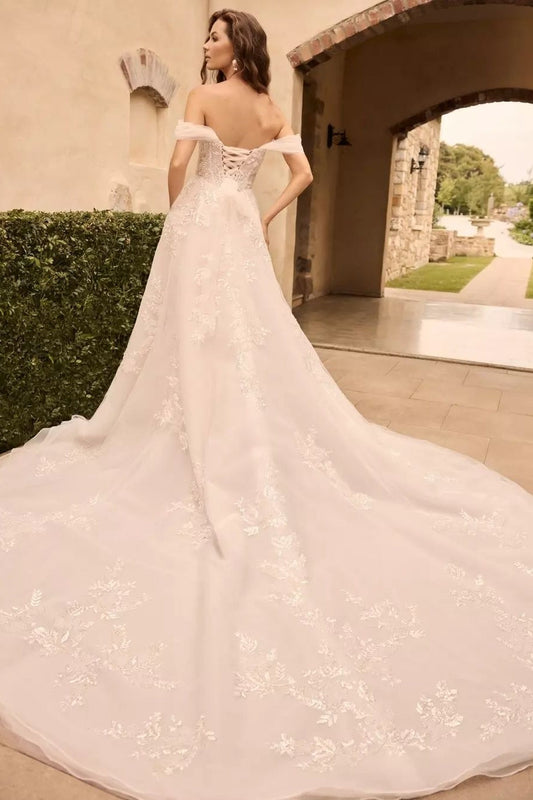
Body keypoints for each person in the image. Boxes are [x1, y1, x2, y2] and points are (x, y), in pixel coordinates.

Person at [0, 8, 532, 800]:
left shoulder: (203, 97)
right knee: (244, 345)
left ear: (235, 45)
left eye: (215, 35)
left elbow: (178, 166)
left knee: (190, 339)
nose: (206, 44)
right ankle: (235, 434)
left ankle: (199, 434)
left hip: (199, 229)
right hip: (240, 232)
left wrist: (181, 217)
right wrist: (260, 213)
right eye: (207, 34)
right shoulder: (273, 109)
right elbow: (303, 176)